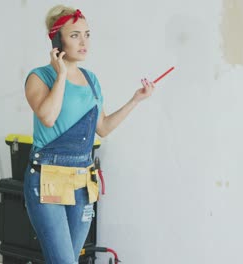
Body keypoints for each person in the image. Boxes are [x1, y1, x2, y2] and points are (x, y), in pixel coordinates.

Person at [23, 4, 155, 263]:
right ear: (57, 40)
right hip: (47, 177)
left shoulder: (91, 79)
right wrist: (61, 75)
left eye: (87, 34)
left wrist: (134, 100)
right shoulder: (39, 77)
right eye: (75, 35)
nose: (84, 42)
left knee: (70, 259)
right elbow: (48, 117)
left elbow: (102, 128)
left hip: (82, 181)